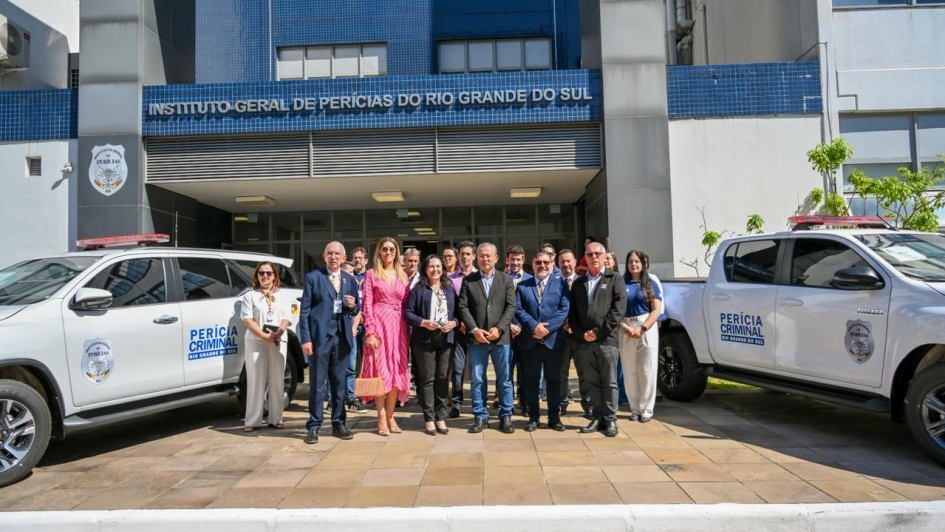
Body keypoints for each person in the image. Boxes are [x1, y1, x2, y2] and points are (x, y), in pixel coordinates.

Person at [299, 242, 360, 443]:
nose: (334, 257)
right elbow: (305, 311)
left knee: (339, 383)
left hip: (341, 338)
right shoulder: (313, 278)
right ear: (324, 257)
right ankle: (314, 425)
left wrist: (352, 307)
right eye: (330, 254)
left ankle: (338, 423)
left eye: (337, 254)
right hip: (319, 339)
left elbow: (355, 308)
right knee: (317, 383)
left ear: (343, 258)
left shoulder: (349, 280)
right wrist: (306, 339)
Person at [568, 241, 626, 437]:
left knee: (609, 382)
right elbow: (573, 314)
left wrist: (598, 332)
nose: (593, 257)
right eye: (589, 254)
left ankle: (610, 420)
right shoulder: (578, 283)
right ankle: (597, 417)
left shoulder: (614, 279)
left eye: (597, 254)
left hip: (606, 340)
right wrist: (581, 333)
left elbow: (618, 310)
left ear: (603, 257)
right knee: (591, 382)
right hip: (584, 341)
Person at [457, 242, 517, 434]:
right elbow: (463, 307)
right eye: (482, 256)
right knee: (477, 379)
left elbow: (511, 307)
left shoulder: (506, 279)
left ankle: (506, 416)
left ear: (496, 258)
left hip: (500, 339)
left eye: (488, 256)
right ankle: (480, 416)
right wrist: (474, 329)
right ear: (477, 257)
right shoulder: (469, 280)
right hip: (477, 339)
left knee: (505, 379)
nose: (485, 259)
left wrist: (499, 329)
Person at [514, 251, 570, 432]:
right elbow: (518, 309)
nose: (543, 266)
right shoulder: (523, 286)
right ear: (533, 264)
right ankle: (533, 417)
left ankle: (554, 417)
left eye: (546, 262)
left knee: (554, 380)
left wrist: (546, 329)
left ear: (552, 264)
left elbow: (564, 309)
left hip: (553, 341)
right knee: (530, 381)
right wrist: (534, 326)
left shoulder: (561, 285)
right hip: (530, 342)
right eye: (539, 262)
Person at [360, 237, 411, 436]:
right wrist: (370, 331)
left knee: (396, 370)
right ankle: (380, 415)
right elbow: (367, 305)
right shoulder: (371, 274)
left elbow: (407, 304)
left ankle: (391, 415)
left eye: (392, 249)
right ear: (379, 252)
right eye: (385, 249)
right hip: (380, 325)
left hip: (399, 327)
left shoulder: (403, 275)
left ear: (396, 253)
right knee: (381, 371)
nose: (388, 252)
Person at [404, 255, 458, 435]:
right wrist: (423, 322)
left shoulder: (449, 288)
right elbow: (407, 313)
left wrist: (455, 323)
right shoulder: (418, 289)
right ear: (425, 269)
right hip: (424, 339)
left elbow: (459, 311)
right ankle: (429, 418)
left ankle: (440, 416)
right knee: (427, 379)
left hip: (446, 338)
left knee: (443, 377)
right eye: (431, 266)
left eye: (438, 266)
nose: (435, 269)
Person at [240, 261, 292, 432]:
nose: (265, 276)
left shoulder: (283, 296)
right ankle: (252, 420)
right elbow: (247, 320)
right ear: (257, 276)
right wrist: (263, 336)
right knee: (255, 380)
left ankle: (276, 418)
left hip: (277, 341)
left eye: (269, 273)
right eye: (261, 273)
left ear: (274, 276)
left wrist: (280, 332)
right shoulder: (250, 296)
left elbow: (287, 317)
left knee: (277, 380)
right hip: (256, 342)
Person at [619, 250, 663, 423]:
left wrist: (643, 328)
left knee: (647, 369)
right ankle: (635, 409)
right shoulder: (621, 282)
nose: (634, 264)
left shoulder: (650, 282)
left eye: (637, 261)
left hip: (646, 326)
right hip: (626, 327)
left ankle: (647, 409)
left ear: (643, 263)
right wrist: (624, 327)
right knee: (629, 370)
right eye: (630, 261)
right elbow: (615, 308)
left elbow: (656, 309)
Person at [556, 249, 589, 417]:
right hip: (560, 335)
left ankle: (588, 403)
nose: (566, 264)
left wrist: (576, 326)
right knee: (561, 372)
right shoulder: (554, 282)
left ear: (575, 262)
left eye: (569, 261)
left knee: (584, 371)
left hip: (579, 335)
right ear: (558, 264)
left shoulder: (584, 282)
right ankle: (562, 402)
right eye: (562, 262)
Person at [448, 240, 477, 418]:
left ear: (473, 256)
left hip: (475, 331)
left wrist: (472, 324)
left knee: (476, 369)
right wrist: (459, 322)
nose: (465, 256)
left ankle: (477, 403)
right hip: (458, 330)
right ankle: (457, 402)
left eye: (468, 253)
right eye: (462, 253)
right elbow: (449, 306)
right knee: (457, 369)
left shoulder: (480, 276)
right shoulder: (450, 279)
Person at [336, 262, 368, 414]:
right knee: (334, 367)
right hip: (337, 333)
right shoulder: (334, 289)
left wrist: (354, 328)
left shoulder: (352, 288)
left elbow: (358, 311)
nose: (351, 275)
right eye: (348, 272)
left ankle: (350, 397)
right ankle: (332, 399)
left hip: (351, 333)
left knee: (351, 367)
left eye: (352, 272)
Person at [504, 244, 531, 414]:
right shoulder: (499, 278)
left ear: (523, 260)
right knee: (506, 371)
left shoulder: (530, 279)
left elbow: (533, 306)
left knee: (525, 371)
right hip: (505, 333)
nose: (515, 262)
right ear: (507, 260)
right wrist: (508, 325)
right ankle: (508, 404)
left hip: (525, 333)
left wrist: (522, 325)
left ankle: (525, 402)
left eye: (518, 259)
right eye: (512, 259)